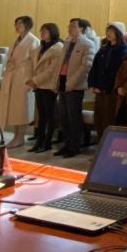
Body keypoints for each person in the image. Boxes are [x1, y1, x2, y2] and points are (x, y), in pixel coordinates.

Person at [54, 18, 97, 157]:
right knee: (63, 116)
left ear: (81, 29)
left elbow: (85, 67)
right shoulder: (67, 43)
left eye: (73, 26)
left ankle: (74, 146)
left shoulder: (88, 44)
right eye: (69, 25)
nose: (70, 28)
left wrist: (71, 82)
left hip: (75, 85)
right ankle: (66, 144)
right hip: (62, 81)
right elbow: (61, 64)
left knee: (73, 117)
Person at [0, 15, 41, 148]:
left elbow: (36, 62)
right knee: (14, 108)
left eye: (19, 24)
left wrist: (33, 80)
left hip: (25, 77)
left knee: (22, 108)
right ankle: (16, 136)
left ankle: (20, 136)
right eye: (16, 24)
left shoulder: (33, 41)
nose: (16, 26)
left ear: (27, 25)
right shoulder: (17, 40)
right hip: (13, 75)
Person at [85, 22, 127, 146]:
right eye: (107, 31)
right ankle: (100, 145)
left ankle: (108, 147)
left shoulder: (124, 50)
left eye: (112, 31)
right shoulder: (103, 49)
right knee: (99, 119)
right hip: (99, 91)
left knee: (109, 120)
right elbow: (94, 68)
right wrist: (93, 84)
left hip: (111, 92)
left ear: (118, 33)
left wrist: (110, 87)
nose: (108, 33)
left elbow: (119, 72)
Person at [28, 23, 63, 152]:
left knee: (50, 115)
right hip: (39, 85)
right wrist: (34, 80)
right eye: (41, 31)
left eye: (45, 31)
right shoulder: (41, 46)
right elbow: (34, 65)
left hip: (49, 84)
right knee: (41, 115)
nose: (42, 33)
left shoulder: (58, 47)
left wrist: (35, 80)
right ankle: (39, 141)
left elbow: (51, 70)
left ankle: (47, 142)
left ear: (52, 32)